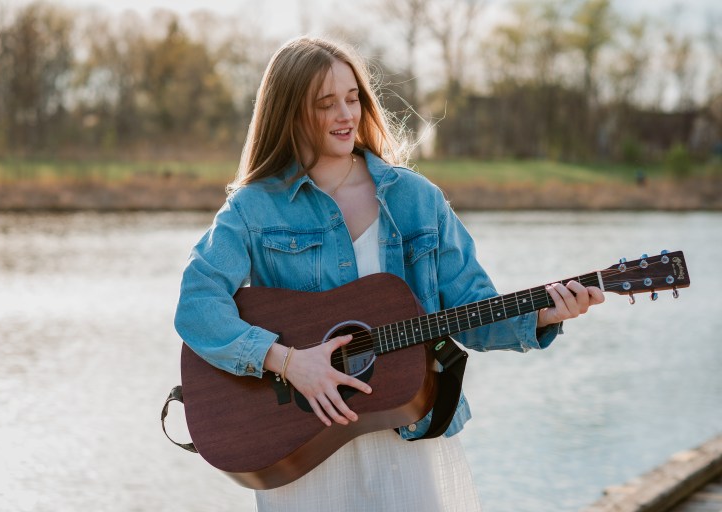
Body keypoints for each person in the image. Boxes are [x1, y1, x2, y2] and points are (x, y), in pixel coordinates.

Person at [174, 36, 605, 511]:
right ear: (289, 113)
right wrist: (289, 362)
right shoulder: (254, 208)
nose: (346, 115)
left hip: (406, 441)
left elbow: (469, 309)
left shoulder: (417, 199)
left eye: (352, 98)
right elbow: (197, 305)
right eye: (326, 103)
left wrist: (542, 315)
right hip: (302, 451)